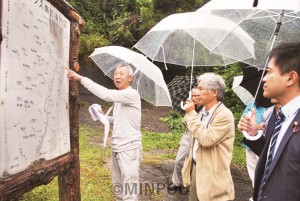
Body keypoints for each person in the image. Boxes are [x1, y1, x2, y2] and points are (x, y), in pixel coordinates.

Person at [67, 63, 142, 201]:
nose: (117, 76)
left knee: (129, 192)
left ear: (130, 78)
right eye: (115, 73)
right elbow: (118, 120)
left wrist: (81, 78)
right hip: (117, 148)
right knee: (118, 189)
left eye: (121, 74)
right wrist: (102, 116)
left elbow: (106, 94)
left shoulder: (131, 94)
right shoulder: (121, 96)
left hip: (129, 148)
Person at [238, 42, 300, 201]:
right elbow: (276, 159)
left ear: (290, 78)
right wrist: (254, 134)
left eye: (269, 72)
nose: (263, 79)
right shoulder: (278, 117)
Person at [182, 72, 235, 201]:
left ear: (214, 92)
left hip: (212, 175)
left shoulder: (224, 115)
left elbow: (206, 140)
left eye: (201, 89)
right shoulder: (203, 111)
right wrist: (191, 112)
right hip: (196, 169)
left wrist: (191, 114)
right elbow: (194, 130)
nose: (197, 92)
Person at [167, 88, 203, 191]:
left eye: (197, 96)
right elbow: (186, 123)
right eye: (193, 96)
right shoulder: (191, 107)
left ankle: (189, 183)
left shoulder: (205, 109)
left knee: (195, 164)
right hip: (188, 138)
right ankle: (176, 182)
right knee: (179, 161)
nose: (194, 98)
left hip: (199, 139)